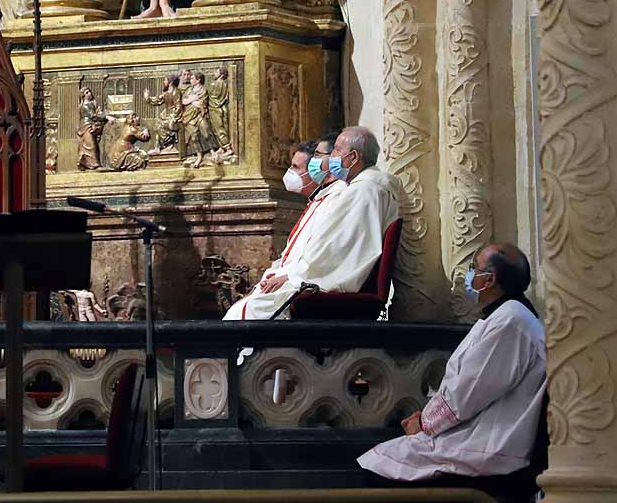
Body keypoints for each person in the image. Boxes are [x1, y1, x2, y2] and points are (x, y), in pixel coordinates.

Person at [357, 244, 548, 503]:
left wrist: (423, 424)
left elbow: (465, 395)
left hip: (489, 448)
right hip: (478, 435)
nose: (470, 275)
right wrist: (424, 419)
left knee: (374, 471)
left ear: (489, 279)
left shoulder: (510, 322)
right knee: (379, 459)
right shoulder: (506, 318)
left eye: (474, 268)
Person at [223, 138, 348, 320]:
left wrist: (288, 276)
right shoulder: (318, 201)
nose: (290, 173)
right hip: (291, 277)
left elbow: (323, 253)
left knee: (247, 312)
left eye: (296, 167)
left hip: (306, 281)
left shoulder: (336, 199)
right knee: (240, 310)